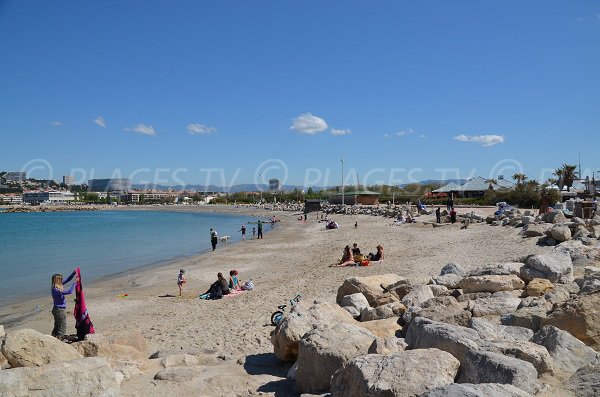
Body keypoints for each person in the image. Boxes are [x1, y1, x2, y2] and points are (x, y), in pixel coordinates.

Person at [51, 270, 78, 339]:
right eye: (61, 279)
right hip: (59, 310)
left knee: (57, 325)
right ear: (57, 280)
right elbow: (69, 292)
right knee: (62, 325)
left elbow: (68, 279)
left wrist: (73, 273)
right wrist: (75, 283)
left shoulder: (57, 286)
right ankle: (60, 338)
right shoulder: (56, 290)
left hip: (56, 309)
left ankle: (53, 337)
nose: (62, 280)